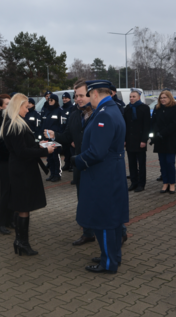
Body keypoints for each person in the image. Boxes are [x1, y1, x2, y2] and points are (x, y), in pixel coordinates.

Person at [72, 80, 129, 274]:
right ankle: (112, 256)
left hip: (103, 174)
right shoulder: (111, 110)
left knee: (103, 219)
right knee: (112, 218)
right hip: (110, 171)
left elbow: (96, 152)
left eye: (88, 94)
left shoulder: (105, 114)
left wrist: (77, 160)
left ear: (95, 93)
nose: (87, 98)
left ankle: (108, 263)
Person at [0, 93, 55, 256]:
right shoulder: (15, 124)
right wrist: (44, 150)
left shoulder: (15, 122)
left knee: (22, 206)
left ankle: (20, 242)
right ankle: (22, 243)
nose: (28, 110)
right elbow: (22, 151)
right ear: (18, 107)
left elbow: (24, 145)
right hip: (22, 171)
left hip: (22, 169)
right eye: (25, 107)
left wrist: (39, 144)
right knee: (23, 207)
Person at [44, 81, 95, 246]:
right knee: (83, 200)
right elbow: (67, 136)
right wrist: (54, 135)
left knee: (102, 202)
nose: (78, 99)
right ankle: (87, 233)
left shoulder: (100, 114)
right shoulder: (74, 114)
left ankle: (119, 231)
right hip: (80, 165)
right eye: (76, 96)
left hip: (96, 166)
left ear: (91, 94)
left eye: (81, 95)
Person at [0, 94, 14, 234]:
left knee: (12, 191)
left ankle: (9, 220)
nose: (9, 106)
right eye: (7, 104)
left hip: (12, 159)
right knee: (5, 191)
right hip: (4, 160)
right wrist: (12, 149)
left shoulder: (11, 117)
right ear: (0, 106)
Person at [124, 89, 150, 192]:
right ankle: (134, 182)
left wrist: (144, 140)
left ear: (139, 97)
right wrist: (124, 140)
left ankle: (141, 184)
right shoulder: (127, 108)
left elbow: (147, 126)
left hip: (140, 141)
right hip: (130, 141)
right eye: (130, 97)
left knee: (141, 164)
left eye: (134, 96)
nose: (131, 98)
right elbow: (125, 125)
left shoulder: (144, 108)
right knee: (131, 163)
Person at [151, 90, 176, 194]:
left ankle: (172, 184)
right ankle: (165, 183)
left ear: (169, 98)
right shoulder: (157, 109)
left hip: (170, 140)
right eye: (161, 98)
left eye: (165, 97)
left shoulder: (174, 108)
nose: (162, 99)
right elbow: (153, 123)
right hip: (159, 140)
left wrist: (163, 133)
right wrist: (154, 134)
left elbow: (174, 124)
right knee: (162, 163)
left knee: (170, 163)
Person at [40, 93, 65, 182]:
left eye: (52, 100)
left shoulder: (59, 110)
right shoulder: (47, 111)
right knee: (50, 156)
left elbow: (62, 125)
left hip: (55, 138)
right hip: (47, 138)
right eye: (49, 100)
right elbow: (43, 124)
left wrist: (58, 135)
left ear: (56, 101)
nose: (50, 102)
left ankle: (57, 174)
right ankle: (52, 174)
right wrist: (43, 136)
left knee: (55, 156)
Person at [61, 92, 74, 171]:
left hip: (70, 132)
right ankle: (67, 164)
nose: (64, 99)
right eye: (63, 98)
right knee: (65, 150)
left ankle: (72, 165)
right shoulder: (62, 108)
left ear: (69, 99)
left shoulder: (72, 108)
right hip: (63, 132)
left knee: (71, 150)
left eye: (66, 98)